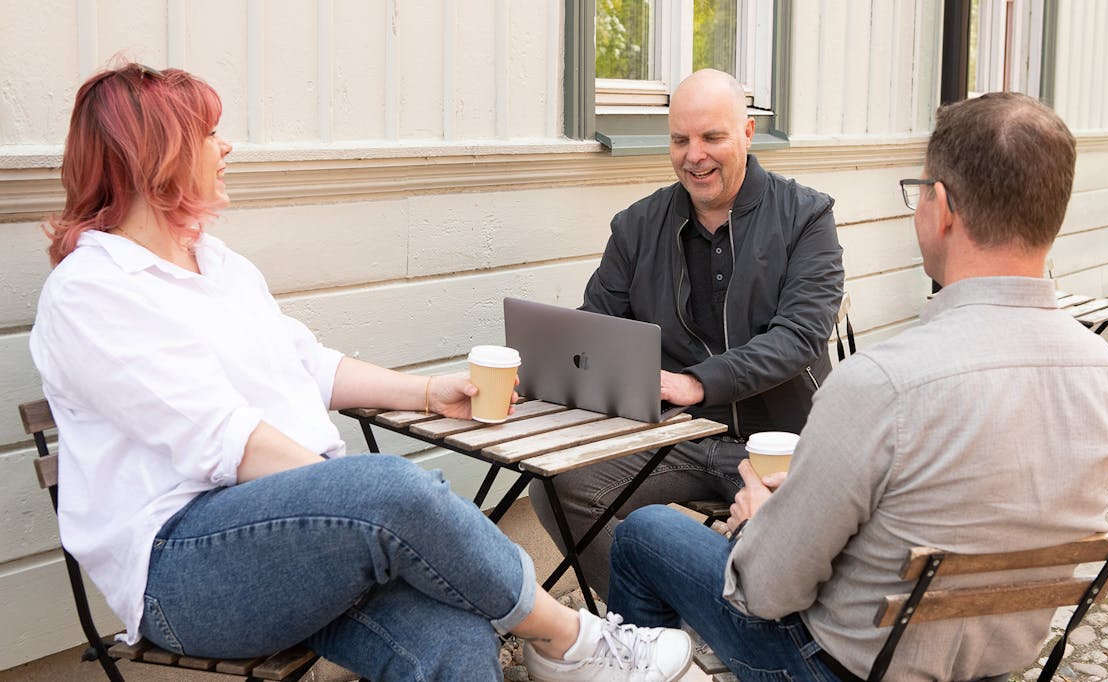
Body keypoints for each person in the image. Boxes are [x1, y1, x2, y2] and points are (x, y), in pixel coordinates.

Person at [29, 63, 694, 682]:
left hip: (304, 536)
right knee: (388, 490)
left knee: (456, 641)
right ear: (158, 158)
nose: (225, 146)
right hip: (183, 570)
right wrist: (357, 505)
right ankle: (574, 641)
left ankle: (561, 645)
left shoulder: (218, 264)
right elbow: (224, 440)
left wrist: (430, 393)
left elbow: (306, 365)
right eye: (207, 134)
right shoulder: (93, 291)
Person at [605, 92, 1108, 680]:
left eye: (919, 192)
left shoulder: (883, 384)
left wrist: (762, 520)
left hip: (837, 666)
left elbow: (764, 590)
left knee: (646, 535)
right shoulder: (1106, 374)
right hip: (993, 666)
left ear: (942, 210)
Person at [530, 69, 845, 599]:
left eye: (712, 137)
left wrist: (696, 382)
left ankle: (724, 621)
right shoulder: (636, 226)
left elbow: (800, 336)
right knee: (559, 487)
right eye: (680, 139)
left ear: (747, 132)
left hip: (782, 445)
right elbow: (594, 330)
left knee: (778, 561)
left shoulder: (806, 217)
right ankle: (649, 631)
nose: (693, 155)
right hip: (672, 438)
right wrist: (550, 368)